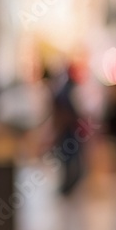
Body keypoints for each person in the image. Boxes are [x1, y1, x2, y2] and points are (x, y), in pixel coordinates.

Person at [51, 64, 84, 196]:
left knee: (69, 160)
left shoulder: (68, 89)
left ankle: (68, 186)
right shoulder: (66, 90)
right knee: (69, 160)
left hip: (69, 130)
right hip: (68, 130)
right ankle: (67, 187)